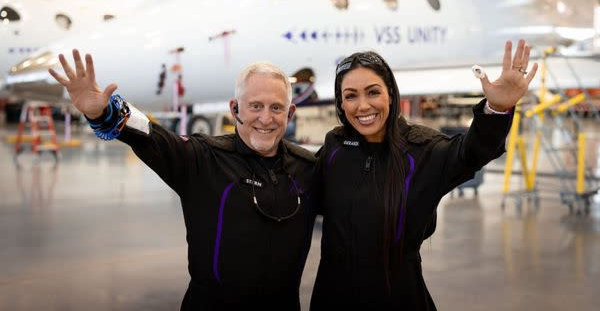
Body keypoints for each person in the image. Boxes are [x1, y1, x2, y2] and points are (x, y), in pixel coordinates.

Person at [49, 50, 318, 310]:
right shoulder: (203, 159)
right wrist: (104, 112)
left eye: (276, 108)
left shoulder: (307, 167)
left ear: (290, 113)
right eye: (255, 106)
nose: (265, 118)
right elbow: (149, 134)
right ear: (235, 108)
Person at [310, 40, 537, 310]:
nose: (362, 106)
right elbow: (299, 186)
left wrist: (496, 110)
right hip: (333, 297)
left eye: (373, 92)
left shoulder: (421, 149)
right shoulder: (335, 145)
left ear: (390, 95)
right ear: (341, 103)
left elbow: (470, 154)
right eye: (350, 96)